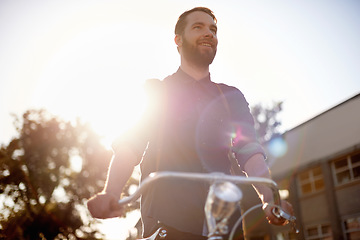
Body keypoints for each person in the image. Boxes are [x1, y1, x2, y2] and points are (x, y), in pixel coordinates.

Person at [87, 7, 294, 240]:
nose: (209, 33)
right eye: (198, 27)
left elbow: (250, 153)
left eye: (213, 29)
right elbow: (130, 145)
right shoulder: (157, 91)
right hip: (167, 220)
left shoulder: (232, 98)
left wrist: (269, 199)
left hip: (225, 223)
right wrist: (111, 192)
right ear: (178, 40)